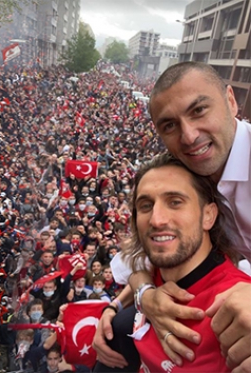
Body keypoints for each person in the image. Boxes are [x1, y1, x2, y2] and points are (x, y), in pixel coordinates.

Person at [95, 61, 251, 371]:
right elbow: (141, 252)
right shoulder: (189, 172)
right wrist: (143, 296)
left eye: (198, 111)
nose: (190, 136)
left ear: (231, 101)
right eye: (169, 125)